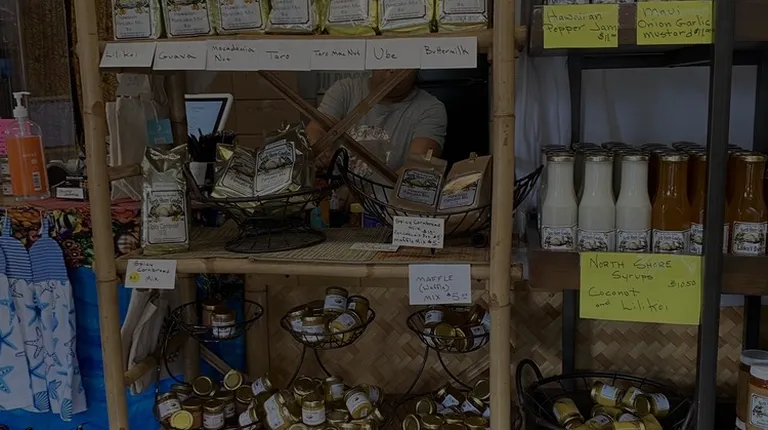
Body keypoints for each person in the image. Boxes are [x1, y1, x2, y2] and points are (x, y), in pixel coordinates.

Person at [307, 69, 448, 172]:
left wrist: (364, 192)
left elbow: (418, 167)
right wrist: (319, 148)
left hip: (387, 200)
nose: (393, 70)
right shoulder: (345, 90)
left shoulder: (430, 108)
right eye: (387, 59)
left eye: (403, 64)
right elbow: (316, 129)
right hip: (334, 194)